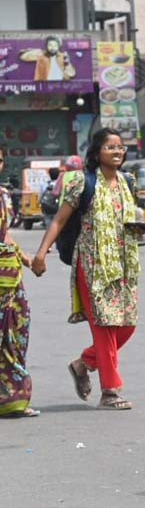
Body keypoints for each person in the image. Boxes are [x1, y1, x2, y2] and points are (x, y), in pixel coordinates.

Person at [31, 128, 142, 410]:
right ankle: (110, 392)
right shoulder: (83, 182)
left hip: (123, 265)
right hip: (92, 265)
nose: (117, 151)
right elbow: (59, 220)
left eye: (120, 147)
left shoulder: (128, 181)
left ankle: (83, 364)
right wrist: (41, 254)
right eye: (110, 147)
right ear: (96, 152)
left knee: (126, 325)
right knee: (104, 327)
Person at [0, 148, 37, 419]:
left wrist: (27, 259)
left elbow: (5, 235)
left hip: (9, 276)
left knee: (14, 331)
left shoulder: (3, 195)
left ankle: (10, 399)